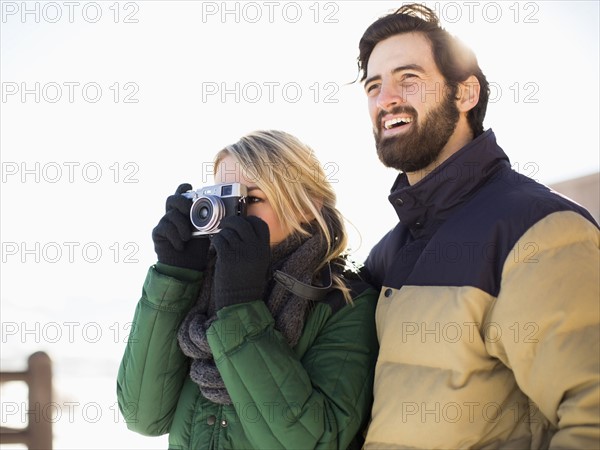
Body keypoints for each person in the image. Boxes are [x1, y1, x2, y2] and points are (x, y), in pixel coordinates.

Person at [356, 3, 600, 449]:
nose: (386, 97)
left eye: (408, 78)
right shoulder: (387, 254)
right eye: (374, 85)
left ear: (465, 94)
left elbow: (592, 416)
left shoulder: (538, 229)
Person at [116, 130, 378, 449]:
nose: (231, 217)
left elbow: (313, 442)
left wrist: (239, 308)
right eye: (222, 199)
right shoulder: (201, 287)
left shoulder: (343, 301)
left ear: (307, 206)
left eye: (251, 199)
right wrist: (175, 276)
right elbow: (142, 416)